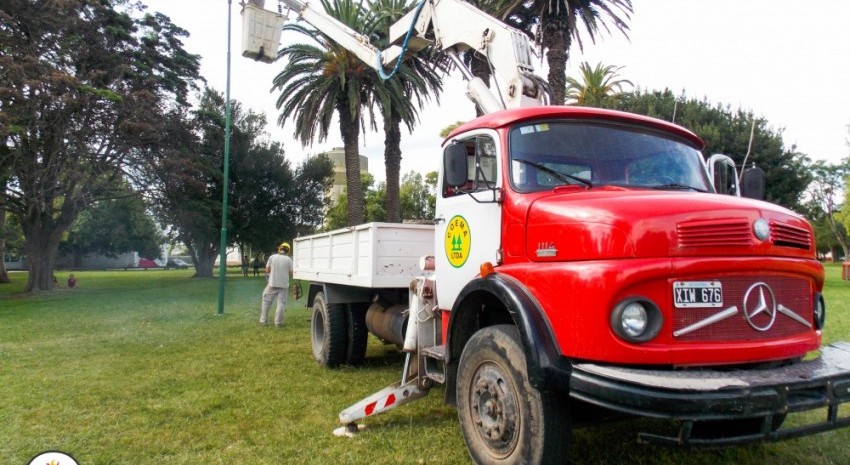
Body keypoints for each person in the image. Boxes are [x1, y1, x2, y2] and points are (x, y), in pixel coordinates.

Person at [260, 242, 293, 327]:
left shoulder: (272, 257)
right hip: (284, 285)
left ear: (279, 249)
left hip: (272, 283)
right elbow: (291, 273)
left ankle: (263, 321)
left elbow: (267, 270)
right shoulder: (289, 260)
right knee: (281, 303)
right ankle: (278, 323)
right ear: (287, 251)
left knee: (266, 302)